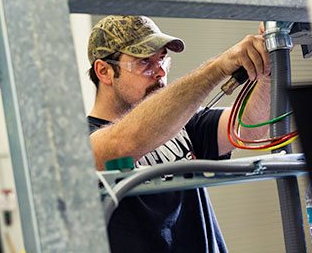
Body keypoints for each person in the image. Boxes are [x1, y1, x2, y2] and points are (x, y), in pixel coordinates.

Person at [87, 15, 270, 252]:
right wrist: (217, 68)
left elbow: (248, 127)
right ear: (104, 71)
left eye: (162, 60)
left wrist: (269, 69)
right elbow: (123, 142)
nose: (160, 73)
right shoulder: (85, 144)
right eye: (144, 62)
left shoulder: (182, 125)